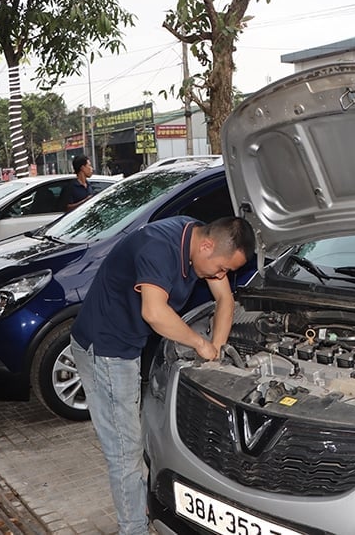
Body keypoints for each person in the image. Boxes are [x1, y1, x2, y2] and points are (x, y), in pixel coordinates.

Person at [70, 215, 255, 535]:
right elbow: (154, 313)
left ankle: (137, 504)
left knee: (132, 437)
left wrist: (217, 350)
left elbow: (225, 299)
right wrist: (200, 343)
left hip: (128, 345)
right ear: (207, 245)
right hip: (106, 351)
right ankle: (134, 529)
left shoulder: (200, 238)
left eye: (228, 271)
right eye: (221, 268)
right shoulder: (159, 247)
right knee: (125, 452)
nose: (221, 275)